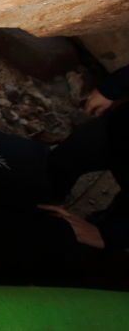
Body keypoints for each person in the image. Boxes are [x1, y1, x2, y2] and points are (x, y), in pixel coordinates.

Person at [42, 64, 129, 250]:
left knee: (112, 224)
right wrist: (113, 87)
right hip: (118, 132)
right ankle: (49, 198)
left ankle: (104, 226)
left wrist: (110, 236)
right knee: (64, 160)